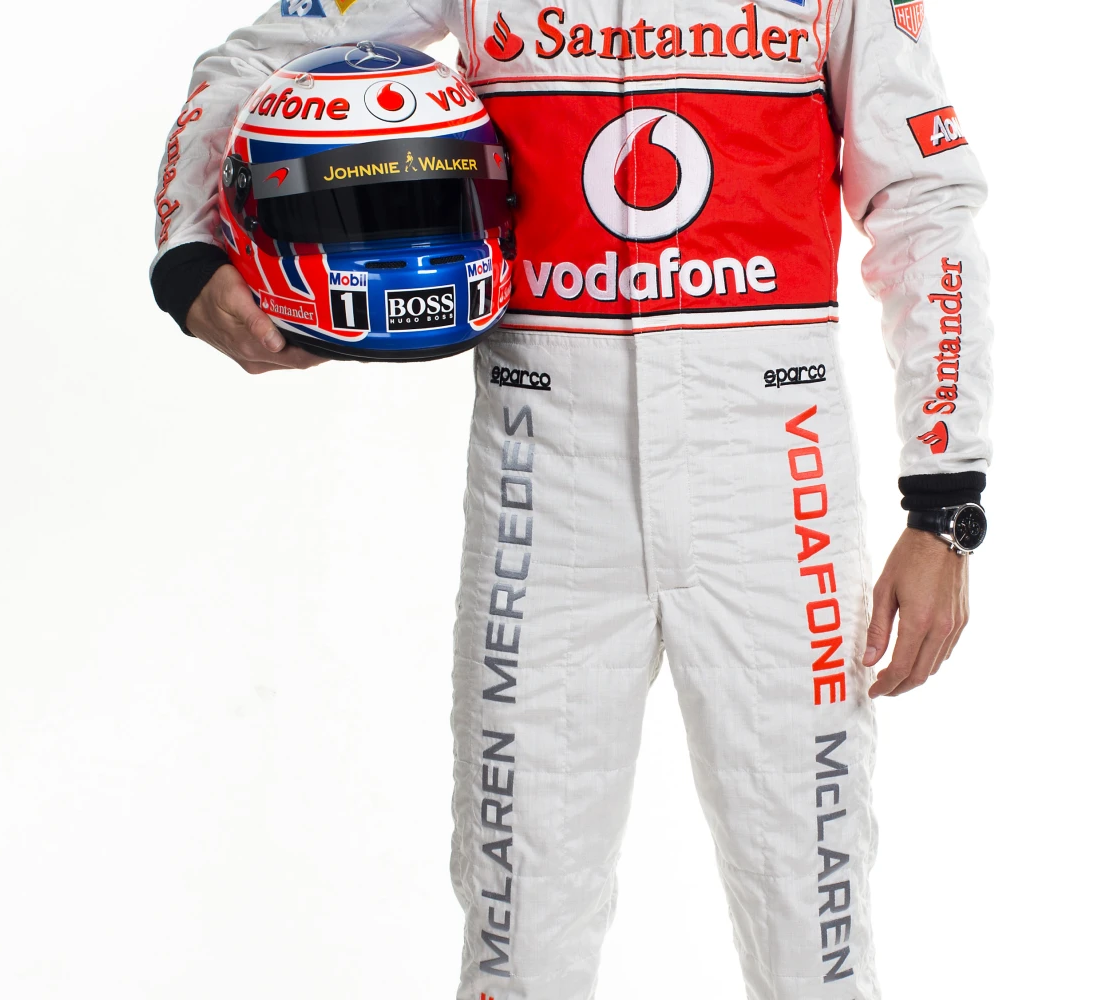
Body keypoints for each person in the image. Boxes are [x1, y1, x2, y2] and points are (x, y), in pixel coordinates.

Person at [150, 1, 993, 997]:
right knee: (518, 931)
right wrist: (191, 250)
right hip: (544, 476)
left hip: (779, 478)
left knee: (816, 924)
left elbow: (924, 201)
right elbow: (252, 59)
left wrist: (944, 503)